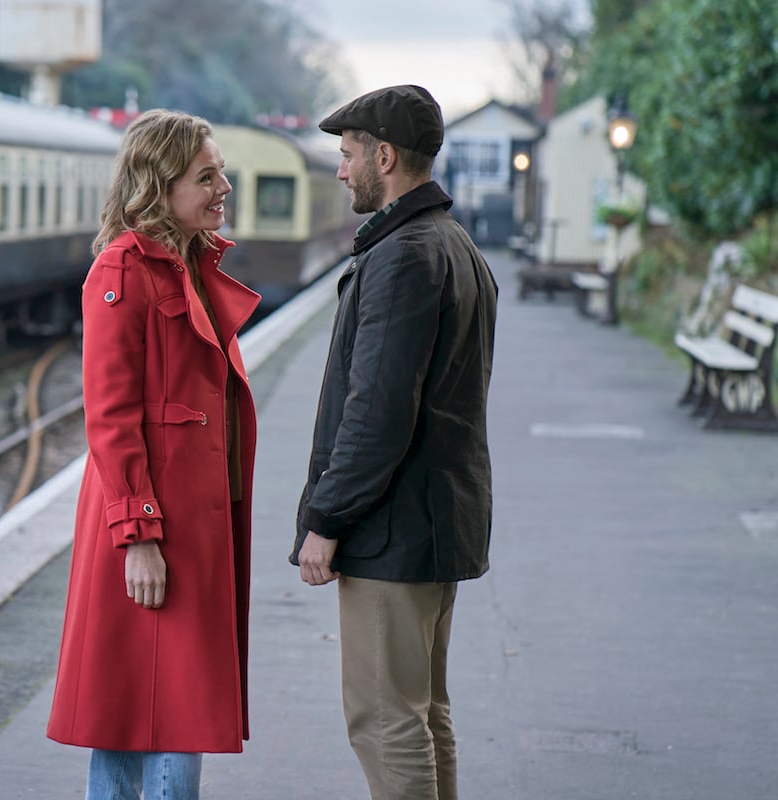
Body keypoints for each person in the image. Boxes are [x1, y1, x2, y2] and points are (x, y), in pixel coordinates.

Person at [290, 85, 498, 800]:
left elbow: (376, 413)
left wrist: (326, 519)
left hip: (393, 529)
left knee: (383, 719)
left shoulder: (405, 255)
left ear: (385, 154)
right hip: (431, 523)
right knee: (422, 712)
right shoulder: (454, 244)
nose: (342, 170)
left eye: (348, 156)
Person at [48, 109, 260, 799]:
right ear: (158, 184)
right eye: (206, 176)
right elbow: (110, 418)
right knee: (152, 711)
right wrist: (138, 534)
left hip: (192, 522)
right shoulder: (121, 271)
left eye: (219, 171)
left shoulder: (190, 264)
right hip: (152, 524)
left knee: (161, 706)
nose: (222, 186)